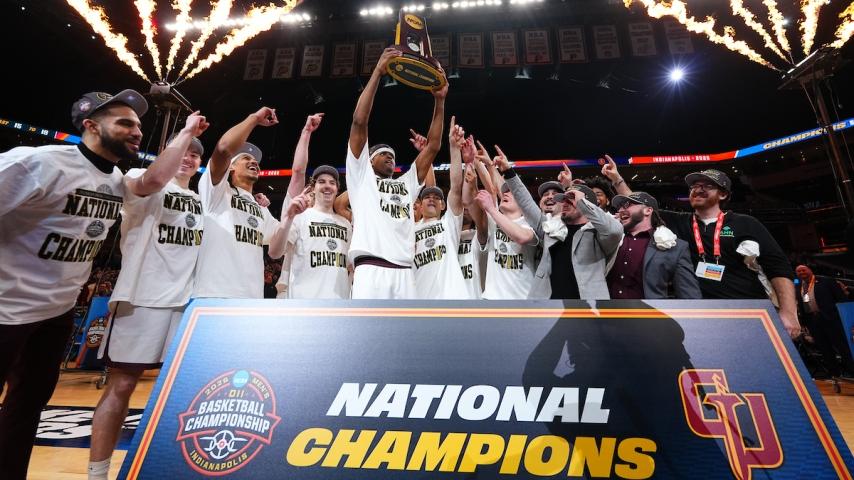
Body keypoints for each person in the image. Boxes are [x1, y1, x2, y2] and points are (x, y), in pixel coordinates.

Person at [0, 89, 148, 479]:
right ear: (90, 125)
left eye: (138, 125)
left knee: (27, 408)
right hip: (5, 306)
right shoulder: (39, 162)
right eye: (125, 123)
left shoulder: (117, 179)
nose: (137, 131)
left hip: (56, 312)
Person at [88, 113, 209, 480]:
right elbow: (155, 178)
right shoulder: (141, 179)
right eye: (183, 151)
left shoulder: (200, 200)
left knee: (183, 394)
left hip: (186, 305)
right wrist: (185, 132)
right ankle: (97, 473)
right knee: (123, 384)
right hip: (141, 299)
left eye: (195, 154)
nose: (188, 157)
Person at [603, 160, 800, 338]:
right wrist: (617, 179)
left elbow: (778, 268)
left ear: (723, 194)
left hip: (748, 311)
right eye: (694, 186)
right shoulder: (680, 223)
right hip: (702, 315)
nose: (698, 190)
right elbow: (641, 205)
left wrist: (789, 313)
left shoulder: (746, 223)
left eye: (707, 186)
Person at [346, 47, 447, 299]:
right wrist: (378, 72)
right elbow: (359, 122)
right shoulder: (361, 178)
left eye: (392, 154)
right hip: (371, 267)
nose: (390, 156)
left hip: (404, 270)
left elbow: (434, 146)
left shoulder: (406, 183)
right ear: (369, 161)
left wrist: (439, 101)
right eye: (383, 154)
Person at [192, 107, 282, 299]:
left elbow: (278, 241)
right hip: (215, 293)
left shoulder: (261, 208)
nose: (254, 162)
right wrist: (254, 118)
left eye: (256, 160)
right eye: (246, 158)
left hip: (252, 297)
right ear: (230, 166)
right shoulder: (217, 191)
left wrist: (292, 213)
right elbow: (224, 149)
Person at [502, 160, 623, 300]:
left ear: (586, 204)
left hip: (588, 306)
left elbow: (615, 231)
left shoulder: (597, 233)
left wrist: (582, 202)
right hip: (548, 304)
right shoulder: (552, 227)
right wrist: (508, 171)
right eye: (563, 200)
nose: (564, 203)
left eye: (570, 200)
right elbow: (527, 203)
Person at [472, 145, 539, 300]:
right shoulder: (496, 219)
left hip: (522, 301)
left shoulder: (530, 224)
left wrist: (492, 209)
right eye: (505, 192)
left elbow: (522, 237)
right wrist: (480, 162)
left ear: (522, 203)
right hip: (492, 300)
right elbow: (493, 187)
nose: (505, 194)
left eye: (511, 193)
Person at [275, 166, 353, 299]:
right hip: (305, 303)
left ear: (337, 189)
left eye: (332, 183)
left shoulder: (345, 224)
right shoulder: (299, 218)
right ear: (313, 188)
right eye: (321, 182)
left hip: (339, 302)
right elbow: (277, 251)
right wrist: (287, 218)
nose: (327, 186)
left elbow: (351, 266)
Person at [608, 192, 701, 299]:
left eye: (627, 205)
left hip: (649, 309)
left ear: (648, 210)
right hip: (606, 308)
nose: (620, 210)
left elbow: (689, 294)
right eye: (619, 207)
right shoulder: (610, 239)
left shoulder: (674, 246)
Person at [412, 117, 467, 299]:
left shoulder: (448, 224)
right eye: (427, 197)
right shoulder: (410, 229)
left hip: (451, 300)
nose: (432, 199)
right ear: (419, 206)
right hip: (419, 301)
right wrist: (425, 154)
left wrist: (454, 148)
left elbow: (456, 187)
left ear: (443, 205)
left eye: (437, 198)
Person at [795, 264, 854, 377]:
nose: (801, 273)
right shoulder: (798, 287)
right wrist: (804, 323)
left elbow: (841, 298)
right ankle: (834, 374)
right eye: (798, 271)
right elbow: (801, 306)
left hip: (832, 319)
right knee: (824, 349)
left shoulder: (826, 281)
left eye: (803, 270)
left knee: (842, 346)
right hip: (813, 321)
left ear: (810, 270)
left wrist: (845, 316)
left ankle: (852, 371)